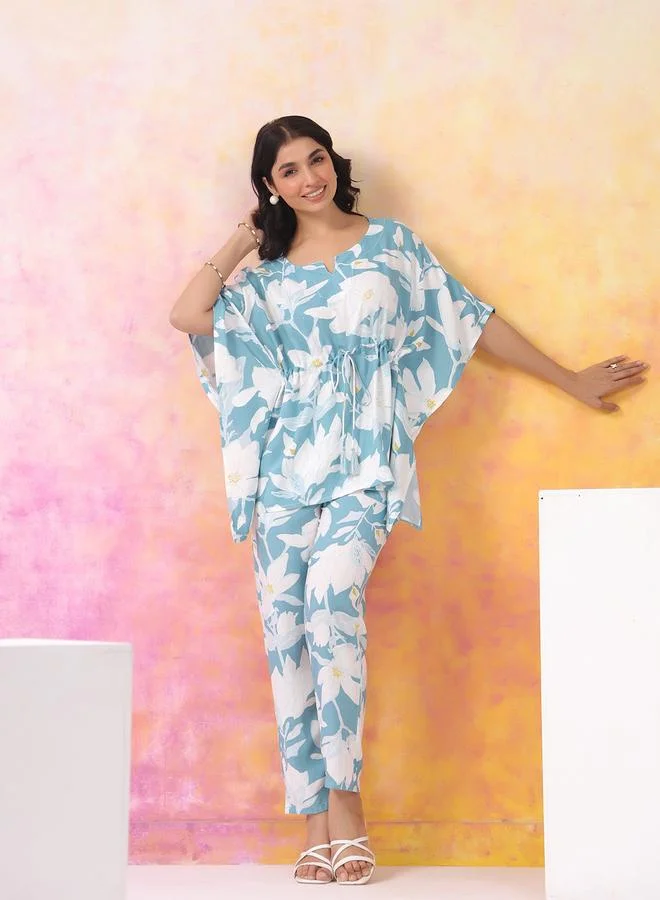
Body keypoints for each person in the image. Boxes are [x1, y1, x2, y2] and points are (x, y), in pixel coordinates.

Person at [169, 115, 648, 885]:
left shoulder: (392, 246)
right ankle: (315, 824)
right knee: (287, 634)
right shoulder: (267, 275)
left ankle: (348, 810)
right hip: (285, 473)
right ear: (270, 186)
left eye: (315, 159)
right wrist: (241, 239)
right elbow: (189, 315)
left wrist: (567, 378)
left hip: (366, 465)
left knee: (331, 602)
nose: (308, 178)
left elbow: (471, 320)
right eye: (287, 170)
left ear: (333, 161)